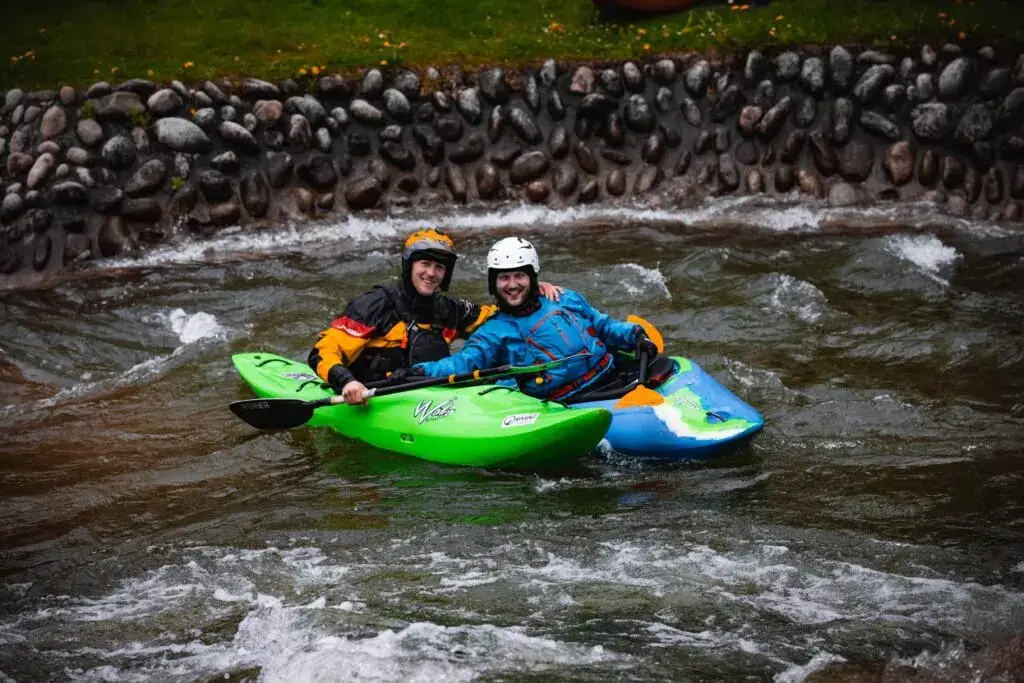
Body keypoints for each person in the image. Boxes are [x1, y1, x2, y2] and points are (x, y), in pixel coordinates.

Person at [308, 229, 562, 405]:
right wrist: (348, 382)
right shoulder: (375, 305)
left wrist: (529, 291)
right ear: (410, 266)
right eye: (425, 264)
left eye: (439, 267)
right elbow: (322, 351)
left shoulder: (447, 309)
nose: (431, 273)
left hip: (430, 396)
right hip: (372, 397)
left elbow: (497, 314)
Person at [395, 236, 664, 402]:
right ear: (494, 283)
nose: (512, 285)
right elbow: (462, 364)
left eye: (519, 276)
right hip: (573, 402)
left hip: (614, 376)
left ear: (532, 277)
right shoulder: (493, 332)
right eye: (503, 277)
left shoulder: (563, 298)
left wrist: (635, 335)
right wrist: (421, 371)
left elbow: (604, 326)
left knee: (665, 366)